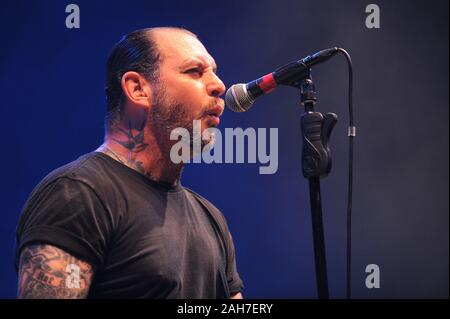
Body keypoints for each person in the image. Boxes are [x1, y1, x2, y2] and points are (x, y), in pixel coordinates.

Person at [15, 27, 244, 299]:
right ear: (137, 89)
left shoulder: (211, 218)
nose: (219, 85)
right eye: (195, 71)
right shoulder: (78, 194)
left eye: (214, 71)